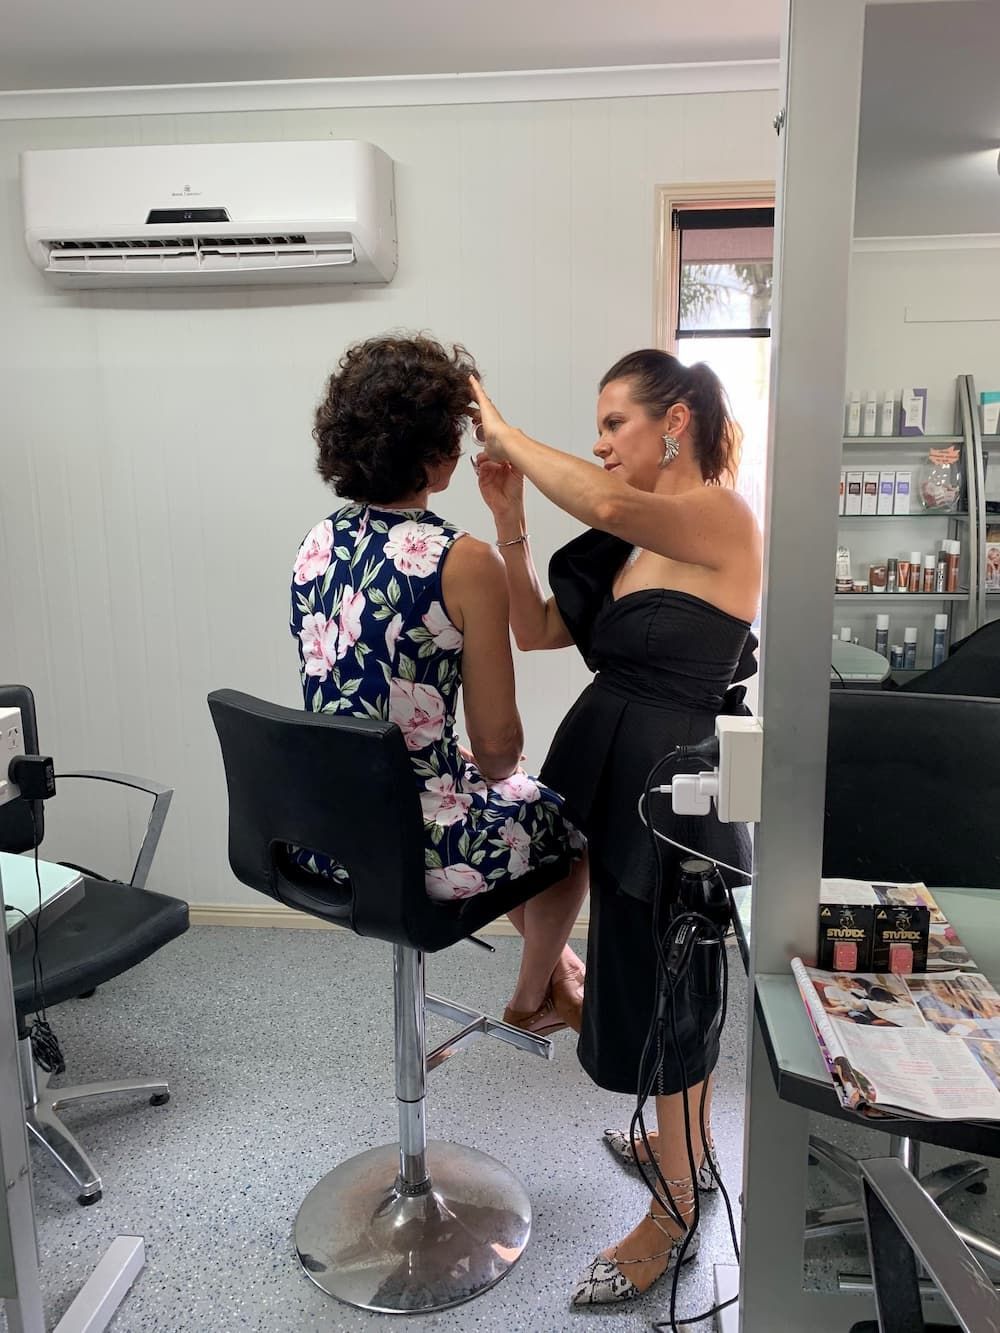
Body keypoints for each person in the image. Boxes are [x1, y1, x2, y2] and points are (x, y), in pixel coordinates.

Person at [470, 349, 762, 1307]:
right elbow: (539, 630)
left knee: (667, 983)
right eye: (594, 431)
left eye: (613, 424)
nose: (600, 445)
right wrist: (511, 529)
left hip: (674, 783)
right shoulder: (625, 542)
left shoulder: (716, 513)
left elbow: (606, 501)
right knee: (535, 890)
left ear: (673, 419)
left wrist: (510, 432)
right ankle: (567, 1007)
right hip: (602, 753)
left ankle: (677, 1206)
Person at [288, 334, 587, 1034]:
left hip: (317, 826)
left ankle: (562, 968)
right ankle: (532, 994)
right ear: (434, 451)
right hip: (407, 843)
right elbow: (498, 754)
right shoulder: (462, 560)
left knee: (507, 814)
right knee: (567, 830)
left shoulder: (317, 540)